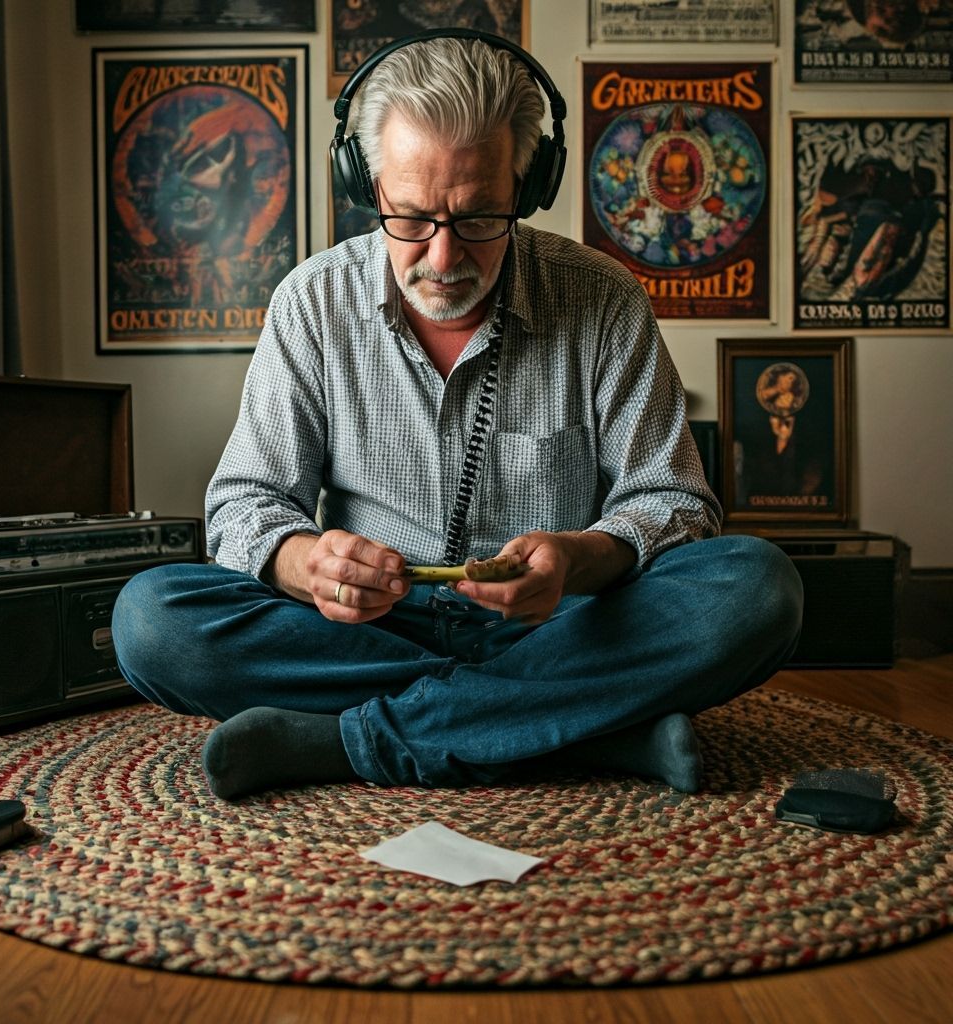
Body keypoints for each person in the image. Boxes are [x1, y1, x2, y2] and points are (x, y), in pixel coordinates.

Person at [112, 32, 802, 800]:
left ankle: (347, 740)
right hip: (360, 636)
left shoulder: (603, 300)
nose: (441, 260)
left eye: (478, 218)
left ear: (528, 185)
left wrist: (575, 558)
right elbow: (243, 505)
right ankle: (589, 725)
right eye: (409, 219)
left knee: (758, 588)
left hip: (559, 627)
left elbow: (673, 506)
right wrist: (308, 565)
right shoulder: (311, 304)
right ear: (366, 184)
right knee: (151, 619)